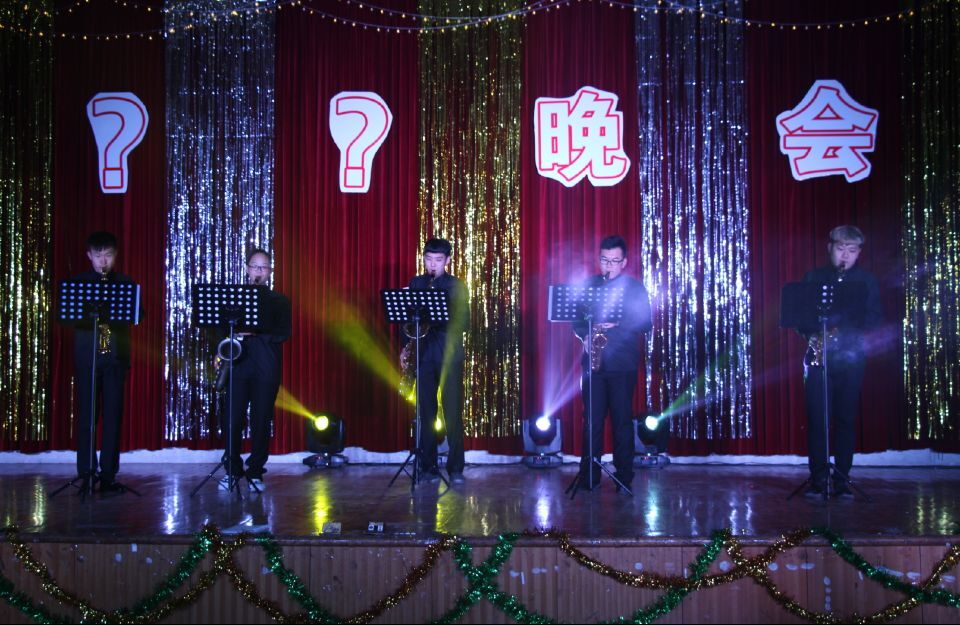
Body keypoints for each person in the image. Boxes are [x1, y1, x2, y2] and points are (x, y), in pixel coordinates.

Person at [800, 225, 881, 499]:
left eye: (852, 250)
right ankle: (818, 479)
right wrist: (812, 332)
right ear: (830, 248)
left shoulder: (867, 282)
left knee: (846, 418)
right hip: (819, 356)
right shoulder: (814, 277)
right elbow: (799, 317)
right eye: (840, 248)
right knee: (817, 420)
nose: (845, 255)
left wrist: (848, 325)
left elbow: (874, 319)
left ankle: (842, 479)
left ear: (859, 253)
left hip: (851, 357)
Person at [573, 235, 653, 492]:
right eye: (605, 260)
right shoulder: (589, 286)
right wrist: (585, 335)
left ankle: (624, 477)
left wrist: (618, 323)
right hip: (593, 365)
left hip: (622, 364)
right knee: (592, 422)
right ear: (599, 259)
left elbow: (646, 323)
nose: (609, 265)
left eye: (615, 261)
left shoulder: (634, 288)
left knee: (621, 422)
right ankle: (589, 476)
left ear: (624, 262)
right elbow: (576, 319)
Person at [219, 248, 291, 492]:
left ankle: (255, 471)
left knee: (261, 420)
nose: (259, 271)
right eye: (255, 266)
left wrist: (256, 331)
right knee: (233, 420)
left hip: (266, 366)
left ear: (270, 271)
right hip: (238, 365)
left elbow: (283, 333)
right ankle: (232, 471)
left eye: (264, 267)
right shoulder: (233, 299)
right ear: (247, 269)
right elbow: (221, 330)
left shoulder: (279, 301)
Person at [72, 231, 137, 492]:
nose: (103, 261)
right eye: (98, 255)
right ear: (89, 256)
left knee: (112, 417)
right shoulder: (79, 284)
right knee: (87, 417)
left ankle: (108, 475)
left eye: (108, 255)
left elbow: (138, 315)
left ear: (115, 255)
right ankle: (86, 473)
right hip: (88, 357)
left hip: (114, 358)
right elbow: (68, 318)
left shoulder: (124, 283)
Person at [401, 238, 469, 484]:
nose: (432, 265)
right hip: (424, 354)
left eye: (438, 260)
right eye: (429, 259)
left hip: (449, 355)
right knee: (425, 413)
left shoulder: (456, 286)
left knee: (452, 412)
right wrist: (405, 348)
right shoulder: (416, 283)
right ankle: (427, 467)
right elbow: (406, 321)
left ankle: (456, 469)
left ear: (448, 260)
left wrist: (440, 316)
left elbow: (465, 322)